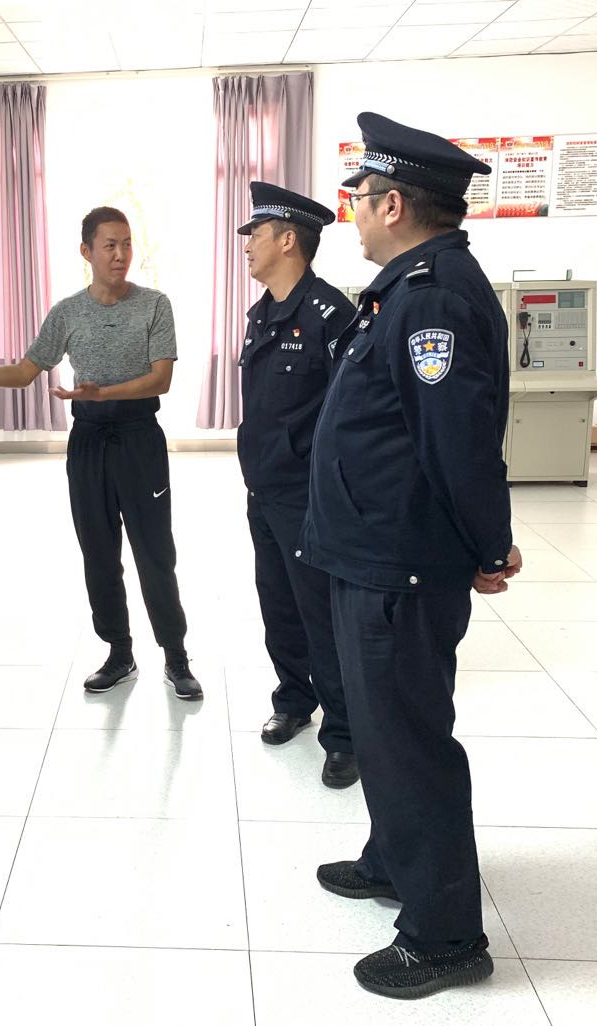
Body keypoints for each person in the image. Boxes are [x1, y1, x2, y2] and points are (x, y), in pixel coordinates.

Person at [300, 113, 523, 999]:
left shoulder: (430, 298)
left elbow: (458, 443)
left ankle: (444, 936)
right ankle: (395, 859)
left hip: (401, 560)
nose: (350, 211)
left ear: (392, 205)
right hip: (372, 550)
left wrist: (489, 543)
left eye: (357, 196)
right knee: (383, 728)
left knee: (408, 741)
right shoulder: (406, 288)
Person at [0, 206, 202, 700]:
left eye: (127, 244)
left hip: (139, 438)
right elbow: (24, 371)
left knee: (155, 552)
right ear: (86, 252)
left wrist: (103, 393)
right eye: (109, 245)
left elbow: (161, 379)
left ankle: (176, 656)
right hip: (88, 441)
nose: (120, 254)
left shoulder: (155, 305)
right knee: (99, 552)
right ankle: (119, 652)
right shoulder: (68, 313)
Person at [234, 182, 359, 788]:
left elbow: (350, 414)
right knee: (278, 605)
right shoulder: (262, 315)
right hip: (264, 490)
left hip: (308, 497)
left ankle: (345, 734)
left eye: (255, 234)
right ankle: (293, 700)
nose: (247, 245)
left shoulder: (331, 316)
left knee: (319, 615)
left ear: (288, 240)